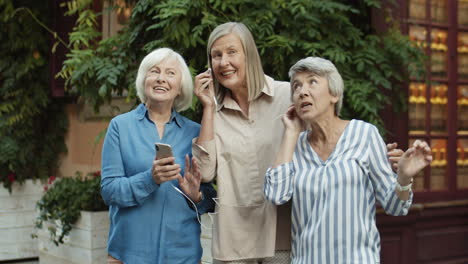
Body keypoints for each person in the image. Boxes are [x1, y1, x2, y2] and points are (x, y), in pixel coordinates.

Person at [192, 22, 402, 263]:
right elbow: (205, 172)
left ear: (249, 54)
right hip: (235, 242)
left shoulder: (288, 96)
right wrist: (208, 108)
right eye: (216, 55)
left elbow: (325, 136)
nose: (223, 62)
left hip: (282, 236)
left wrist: (376, 156)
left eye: (231, 52)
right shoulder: (215, 113)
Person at [264, 57, 432, 263]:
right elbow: (276, 195)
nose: (302, 91)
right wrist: (290, 133)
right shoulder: (294, 147)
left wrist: (404, 178)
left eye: (312, 82)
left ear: (334, 94)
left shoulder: (365, 134)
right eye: (296, 86)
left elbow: (395, 207)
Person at [100, 48, 216, 264]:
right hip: (130, 254)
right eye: (154, 71)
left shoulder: (195, 132)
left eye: (171, 73)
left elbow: (210, 199)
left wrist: (196, 196)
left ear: (180, 87)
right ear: (144, 80)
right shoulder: (120, 127)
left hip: (184, 255)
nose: (161, 78)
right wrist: (150, 179)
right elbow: (109, 192)